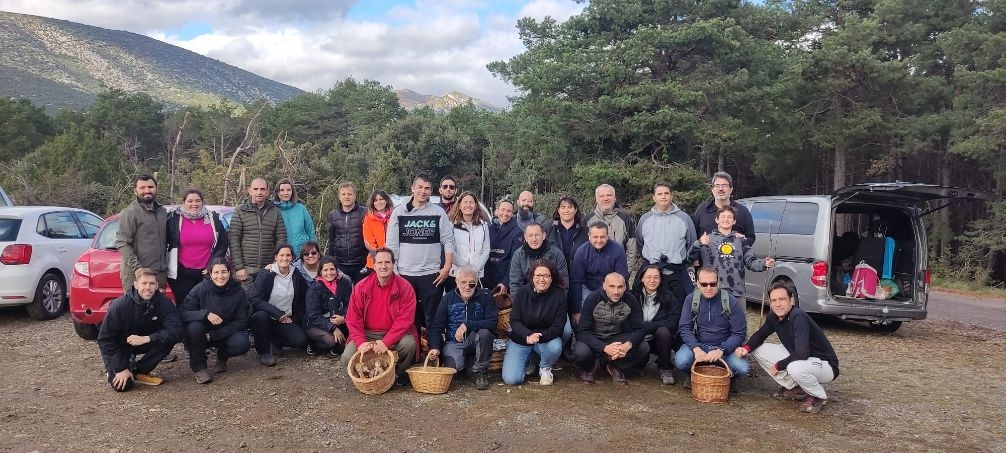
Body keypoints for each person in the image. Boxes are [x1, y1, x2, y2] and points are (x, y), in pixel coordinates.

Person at [735, 282, 839, 413]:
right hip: (803, 359)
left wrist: (778, 365)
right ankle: (795, 387)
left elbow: (802, 353)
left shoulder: (798, 316)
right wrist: (746, 348)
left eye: (782, 299)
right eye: (774, 300)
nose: (777, 304)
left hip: (824, 365)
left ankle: (818, 396)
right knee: (757, 348)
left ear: (791, 300)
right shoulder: (774, 316)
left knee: (794, 367)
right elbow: (761, 335)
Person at [385, 174, 455, 329]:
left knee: (432, 318)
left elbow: (448, 240)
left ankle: (434, 350)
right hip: (404, 274)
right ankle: (413, 351)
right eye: (420, 187)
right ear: (412, 188)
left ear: (431, 191)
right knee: (408, 317)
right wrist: (394, 271)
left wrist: (447, 267)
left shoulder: (438, 212)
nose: (423, 191)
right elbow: (391, 245)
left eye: (427, 188)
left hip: (431, 274)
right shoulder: (399, 212)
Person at [97, 268, 182, 391]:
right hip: (121, 346)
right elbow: (105, 339)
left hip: (145, 341)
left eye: (152, 284)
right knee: (122, 387)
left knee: (167, 340)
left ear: (157, 285)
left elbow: (177, 330)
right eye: (144, 283)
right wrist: (120, 368)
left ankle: (138, 370)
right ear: (136, 285)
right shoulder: (119, 306)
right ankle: (117, 368)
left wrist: (148, 338)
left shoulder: (164, 303)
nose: (148, 287)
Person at [341, 248, 419, 381]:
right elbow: (353, 318)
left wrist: (385, 342)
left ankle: (398, 374)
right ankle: (368, 374)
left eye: (387, 262)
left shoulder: (405, 287)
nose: (384, 266)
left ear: (393, 264)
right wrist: (360, 343)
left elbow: (405, 320)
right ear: (374, 264)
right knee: (347, 357)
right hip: (367, 333)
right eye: (380, 262)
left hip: (395, 334)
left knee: (409, 345)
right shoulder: (361, 287)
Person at [676, 266, 749, 391]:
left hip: (724, 347)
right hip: (699, 345)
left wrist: (722, 349)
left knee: (743, 368)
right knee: (680, 361)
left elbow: (739, 332)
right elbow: (684, 328)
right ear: (697, 283)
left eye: (712, 284)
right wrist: (696, 349)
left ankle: (728, 378)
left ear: (718, 282)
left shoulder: (730, 301)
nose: (708, 288)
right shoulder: (691, 300)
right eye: (704, 284)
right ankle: (693, 375)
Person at [180, 258, 252, 384]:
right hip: (202, 333)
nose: (220, 276)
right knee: (194, 327)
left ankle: (222, 355)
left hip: (225, 331)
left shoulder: (238, 291)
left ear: (230, 273)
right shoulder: (200, 289)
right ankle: (200, 368)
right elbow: (183, 313)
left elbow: (242, 320)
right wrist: (205, 314)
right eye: (216, 272)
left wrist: (217, 334)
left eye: (224, 272)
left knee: (242, 343)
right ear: (210, 274)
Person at [427, 266, 498, 390]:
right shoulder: (447, 299)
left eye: (471, 283)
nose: (467, 287)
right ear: (456, 282)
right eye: (463, 282)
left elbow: (492, 323)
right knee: (455, 371)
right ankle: (467, 363)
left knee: (485, 334)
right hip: (454, 342)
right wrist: (435, 347)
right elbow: (436, 326)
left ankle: (481, 371)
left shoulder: (486, 296)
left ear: (476, 282)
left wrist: (468, 324)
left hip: (476, 339)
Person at [501, 258, 567, 386]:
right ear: (532, 277)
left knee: (554, 347)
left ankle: (545, 367)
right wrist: (528, 335)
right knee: (512, 379)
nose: (542, 280)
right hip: (522, 338)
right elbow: (514, 321)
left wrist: (540, 336)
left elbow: (558, 326)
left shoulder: (559, 296)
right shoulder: (521, 293)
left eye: (546, 276)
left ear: (552, 278)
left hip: (546, 338)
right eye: (538, 275)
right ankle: (529, 359)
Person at [575, 273, 649, 385]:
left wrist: (627, 345)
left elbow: (640, 328)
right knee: (581, 352)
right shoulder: (592, 299)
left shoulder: (630, 300)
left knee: (643, 347)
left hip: (616, 337)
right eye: (612, 286)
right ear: (604, 286)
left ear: (625, 287)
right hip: (594, 338)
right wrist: (604, 347)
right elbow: (582, 331)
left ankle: (615, 366)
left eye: (620, 287)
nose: (616, 292)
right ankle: (591, 367)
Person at [692, 205, 775, 297]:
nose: (726, 219)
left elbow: (750, 262)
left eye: (729, 217)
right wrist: (699, 243)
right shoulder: (707, 239)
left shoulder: (740, 240)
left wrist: (764, 263)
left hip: (737, 292)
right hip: (713, 291)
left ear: (734, 221)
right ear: (717, 220)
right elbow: (690, 257)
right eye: (723, 217)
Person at [249, 243, 309, 366]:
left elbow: (304, 299)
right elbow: (254, 298)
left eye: (288, 255)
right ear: (276, 257)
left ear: (292, 257)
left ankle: (275, 341)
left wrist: (294, 318)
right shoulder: (266, 274)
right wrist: (277, 313)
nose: (285, 258)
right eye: (281, 255)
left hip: (285, 319)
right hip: (267, 316)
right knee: (260, 316)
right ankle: (264, 352)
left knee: (301, 341)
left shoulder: (296, 274)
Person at [636, 181, 697, 302]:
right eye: (659, 194)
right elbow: (640, 243)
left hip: (676, 272)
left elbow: (692, 243)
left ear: (671, 195)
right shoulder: (645, 219)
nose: (663, 196)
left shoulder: (684, 218)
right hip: (651, 272)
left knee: (678, 308)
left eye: (666, 193)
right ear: (654, 197)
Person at [166, 189, 228, 305]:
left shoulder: (213, 219)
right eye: (190, 201)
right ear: (184, 202)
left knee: (207, 305)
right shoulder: (173, 218)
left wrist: (212, 264)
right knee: (185, 305)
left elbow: (223, 243)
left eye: (197, 201)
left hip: (207, 273)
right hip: (181, 274)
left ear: (202, 202)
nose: (194, 204)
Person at [229, 178, 288, 292]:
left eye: (262, 189)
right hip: (246, 269)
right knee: (246, 304)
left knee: (265, 303)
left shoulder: (275, 211)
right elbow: (234, 239)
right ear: (249, 191)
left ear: (267, 192)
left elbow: (281, 238)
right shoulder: (240, 210)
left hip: (268, 268)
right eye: (255, 189)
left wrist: (276, 264)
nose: (259, 192)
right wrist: (239, 267)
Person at [631, 265, 684, 385]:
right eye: (648, 277)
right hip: (639, 336)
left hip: (659, 339)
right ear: (642, 279)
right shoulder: (633, 296)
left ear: (660, 279)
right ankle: (637, 363)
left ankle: (665, 368)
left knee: (663, 332)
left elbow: (674, 321)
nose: (652, 280)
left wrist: (651, 326)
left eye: (656, 277)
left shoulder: (669, 296)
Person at [115, 175, 168, 289]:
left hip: (159, 274)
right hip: (137, 274)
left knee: (158, 306)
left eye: (150, 187)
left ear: (156, 189)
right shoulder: (129, 213)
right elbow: (122, 243)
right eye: (142, 188)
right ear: (135, 191)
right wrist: (138, 268)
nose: (147, 191)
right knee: (136, 306)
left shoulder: (162, 212)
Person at [570, 222, 629, 308]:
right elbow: (576, 281)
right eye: (595, 237)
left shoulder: (618, 250)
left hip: (611, 289)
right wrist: (576, 310)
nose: (599, 240)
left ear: (607, 236)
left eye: (602, 237)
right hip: (588, 289)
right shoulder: (581, 252)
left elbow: (622, 278)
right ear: (589, 236)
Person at [583, 184, 637, 275]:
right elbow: (583, 250)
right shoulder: (587, 220)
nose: (605, 198)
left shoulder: (625, 219)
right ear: (596, 199)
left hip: (619, 274)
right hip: (593, 276)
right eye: (601, 196)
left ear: (614, 198)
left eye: (609, 195)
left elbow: (632, 249)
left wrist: (625, 273)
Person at [304, 256, 353, 356]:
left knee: (350, 339)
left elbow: (350, 304)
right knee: (331, 341)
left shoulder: (344, 283)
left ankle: (337, 346)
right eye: (325, 270)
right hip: (316, 324)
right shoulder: (315, 287)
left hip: (339, 321)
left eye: (332, 269)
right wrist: (333, 328)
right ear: (320, 271)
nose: (329, 273)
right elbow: (313, 315)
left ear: (336, 270)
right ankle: (313, 344)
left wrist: (343, 318)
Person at [693, 171, 756, 247]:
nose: (720, 189)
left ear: (731, 189)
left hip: (735, 258)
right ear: (712, 190)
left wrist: (743, 240)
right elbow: (693, 238)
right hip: (707, 257)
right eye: (717, 186)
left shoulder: (743, 211)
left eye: (724, 185)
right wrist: (700, 241)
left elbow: (751, 238)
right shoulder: (702, 210)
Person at [508, 223, 569, 295]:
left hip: (551, 299)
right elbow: (515, 284)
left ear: (543, 236)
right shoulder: (518, 255)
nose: (534, 239)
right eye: (530, 235)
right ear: (525, 238)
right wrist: (521, 304)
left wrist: (555, 303)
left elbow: (563, 284)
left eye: (537, 235)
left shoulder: (557, 254)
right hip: (527, 300)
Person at [447, 191, 490, 291]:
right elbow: (449, 249)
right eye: (465, 202)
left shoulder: (483, 225)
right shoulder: (451, 225)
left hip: (477, 275)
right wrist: (466, 268)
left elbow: (486, 250)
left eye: (471, 202)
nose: (468, 205)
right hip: (455, 275)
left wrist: (475, 269)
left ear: (475, 206)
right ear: (459, 205)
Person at [327, 182, 368, 283]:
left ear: (355, 195)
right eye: (343, 194)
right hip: (341, 263)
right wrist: (331, 261)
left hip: (361, 263)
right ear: (339, 196)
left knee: (361, 294)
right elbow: (332, 240)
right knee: (343, 294)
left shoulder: (365, 212)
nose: (346, 197)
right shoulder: (333, 215)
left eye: (349, 194)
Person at [486, 197, 522, 294]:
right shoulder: (487, 229)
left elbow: (514, 260)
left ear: (513, 213)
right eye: (503, 210)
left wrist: (505, 282)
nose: (505, 214)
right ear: (496, 211)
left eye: (509, 211)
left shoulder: (517, 232)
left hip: (502, 282)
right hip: (485, 279)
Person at [274, 178, 317, 256]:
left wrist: (312, 250)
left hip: (303, 254)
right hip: (284, 256)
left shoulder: (301, 208)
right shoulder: (273, 210)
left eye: (288, 190)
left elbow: (311, 232)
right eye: (282, 190)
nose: (286, 193)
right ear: (277, 193)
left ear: (292, 192)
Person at [545, 195, 588, 270]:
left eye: (570, 207)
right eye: (563, 207)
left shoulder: (584, 230)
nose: (566, 210)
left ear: (575, 210)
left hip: (578, 272)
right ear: (558, 210)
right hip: (555, 273)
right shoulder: (549, 228)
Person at [362, 190, 393, 272]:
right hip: (375, 261)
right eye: (376, 200)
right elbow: (368, 241)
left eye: (381, 199)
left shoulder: (394, 216)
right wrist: (380, 256)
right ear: (372, 203)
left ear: (386, 200)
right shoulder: (368, 218)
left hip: (392, 260)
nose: (379, 202)